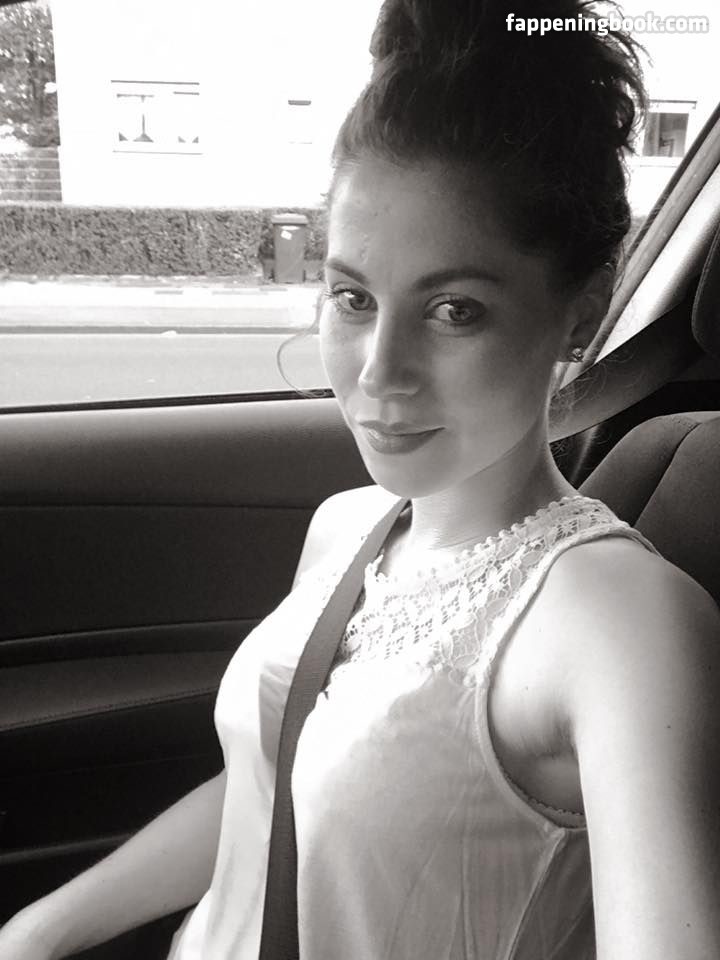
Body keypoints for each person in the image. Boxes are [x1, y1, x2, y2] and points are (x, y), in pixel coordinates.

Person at [3, 0, 720, 958]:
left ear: (583, 311)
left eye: (455, 310)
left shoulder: (617, 620)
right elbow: (278, 786)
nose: (380, 373)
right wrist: (40, 929)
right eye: (352, 298)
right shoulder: (348, 526)